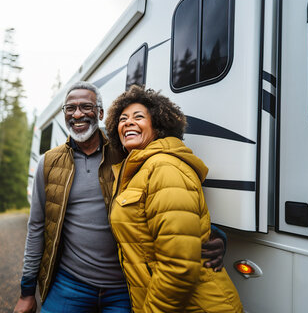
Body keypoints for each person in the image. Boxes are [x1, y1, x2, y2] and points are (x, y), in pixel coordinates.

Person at [13, 81, 227, 313]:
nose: (78, 114)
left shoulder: (125, 154)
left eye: (86, 106)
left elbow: (169, 202)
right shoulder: (49, 163)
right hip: (70, 282)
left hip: (124, 287)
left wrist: (215, 235)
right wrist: (26, 291)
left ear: (101, 113)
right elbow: (36, 227)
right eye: (70, 108)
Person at [104, 85, 243, 312]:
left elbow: (178, 267)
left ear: (158, 126)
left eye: (138, 117)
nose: (128, 122)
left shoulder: (164, 167)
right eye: (122, 119)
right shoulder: (139, 169)